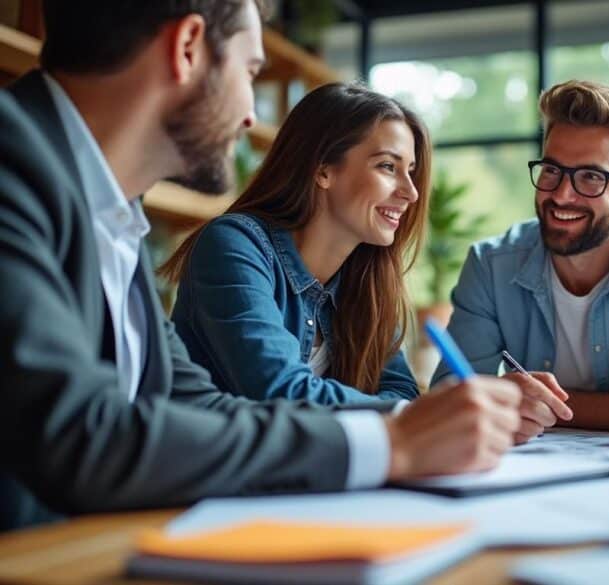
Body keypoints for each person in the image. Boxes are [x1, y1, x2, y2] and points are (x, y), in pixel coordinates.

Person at [0, 0, 520, 532]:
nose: (251, 115)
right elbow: (79, 433)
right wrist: (391, 441)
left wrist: (423, 426)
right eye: (251, 71)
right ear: (187, 49)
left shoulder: (112, 210)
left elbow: (196, 405)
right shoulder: (16, 172)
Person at [433, 80, 609, 443]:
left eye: (591, 177)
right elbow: (449, 394)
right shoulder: (491, 264)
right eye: (551, 170)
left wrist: (524, 405)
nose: (562, 195)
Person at [161, 82, 426, 406]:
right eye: (388, 166)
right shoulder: (234, 245)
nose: (411, 193)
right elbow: (279, 389)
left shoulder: (366, 281)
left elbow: (402, 392)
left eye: (410, 171)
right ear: (323, 170)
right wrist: (405, 417)